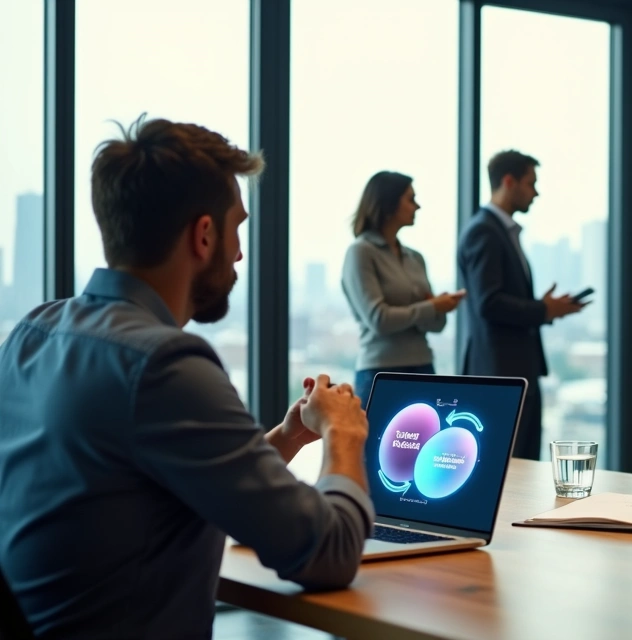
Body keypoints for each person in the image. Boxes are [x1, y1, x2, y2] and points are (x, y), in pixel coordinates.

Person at [0, 117, 373, 638]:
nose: (240, 252)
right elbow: (327, 554)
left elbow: (162, 480)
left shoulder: (33, 334)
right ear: (203, 235)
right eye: (236, 228)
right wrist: (345, 435)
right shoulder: (163, 364)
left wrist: (288, 438)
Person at [458, 150, 585, 460]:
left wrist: (543, 307)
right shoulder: (484, 232)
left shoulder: (499, 231)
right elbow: (489, 304)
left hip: (514, 369)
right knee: (507, 465)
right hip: (499, 372)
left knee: (521, 464)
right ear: (509, 181)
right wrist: (543, 310)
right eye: (531, 183)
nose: (536, 192)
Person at [342, 171, 464, 403]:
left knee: (430, 439)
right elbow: (379, 319)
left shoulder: (415, 258)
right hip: (381, 372)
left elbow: (437, 325)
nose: (417, 206)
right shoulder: (361, 252)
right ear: (388, 203)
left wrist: (438, 307)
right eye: (410, 199)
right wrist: (431, 306)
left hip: (424, 367)